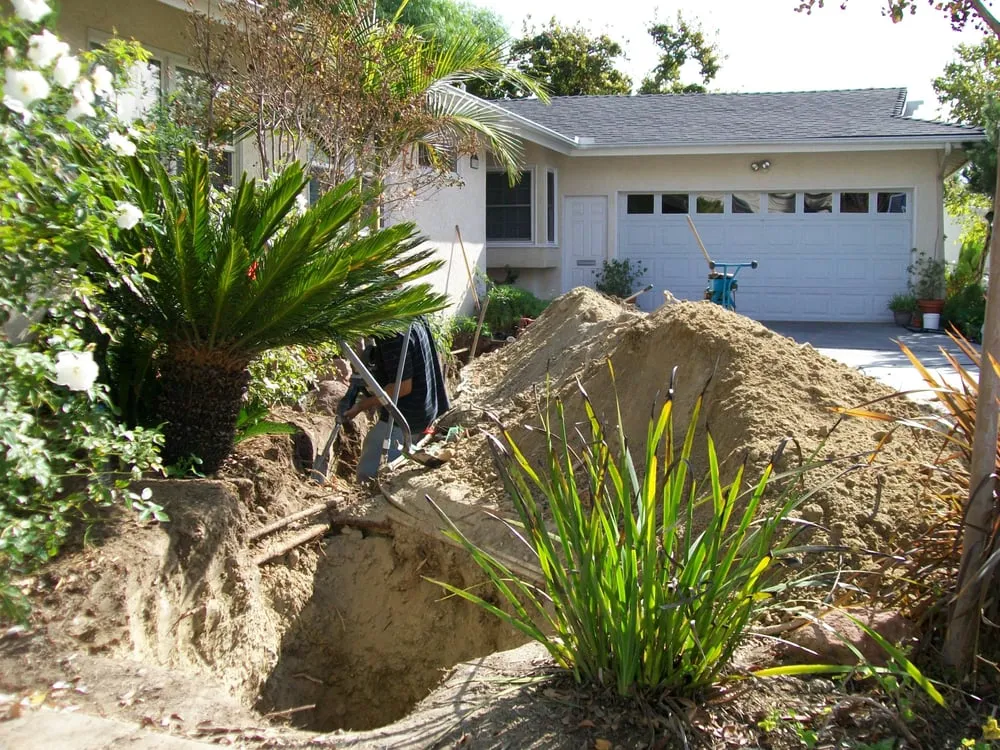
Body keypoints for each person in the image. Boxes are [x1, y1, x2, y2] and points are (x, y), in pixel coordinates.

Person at [344, 318, 449, 481]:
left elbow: (403, 387)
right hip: (426, 407)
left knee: (370, 469)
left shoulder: (391, 334)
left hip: (405, 417)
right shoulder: (412, 315)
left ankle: (368, 492)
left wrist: (361, 406)